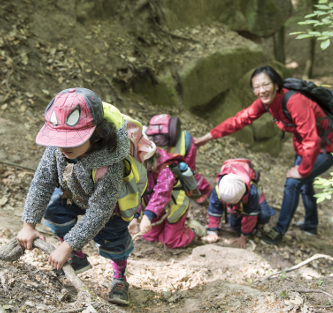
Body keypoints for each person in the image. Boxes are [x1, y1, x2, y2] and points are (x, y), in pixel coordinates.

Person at [16, 87, 147, 306]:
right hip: (73, 192)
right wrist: (28, 224)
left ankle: (119, 277)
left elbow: (99, 210)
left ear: (96, 136)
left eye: (73, 140)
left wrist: (67, 244)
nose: (63, 146)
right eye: (60, 139)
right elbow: (42, 182)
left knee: (114, 240)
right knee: (54, 209)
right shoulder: (57, 149)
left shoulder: (110, 162)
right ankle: (75, 258)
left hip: (110, 205)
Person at [195, 66, 333, 245]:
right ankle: (311, 225)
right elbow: (239, 120)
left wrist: (303, 169)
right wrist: (207, 137)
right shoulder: (266, 103)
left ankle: (278, 232)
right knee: (305, 185)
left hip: (326, 148)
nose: (261, 90)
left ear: (276, 84)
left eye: (265, 85)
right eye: (256, 87)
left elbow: (312, 138)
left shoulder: (294, 101)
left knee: (294, 183)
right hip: (305, 148)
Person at [136, 146, 206, 248]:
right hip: (152, 209)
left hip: (175, 206)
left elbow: (161, 195)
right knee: (149, 237)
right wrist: (135, 216)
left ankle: (194, 229)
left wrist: (147, 217)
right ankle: (166, 229)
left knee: (171, 242)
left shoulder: (165, 170)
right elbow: (136, 192)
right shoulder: (137, 171)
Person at [205, 159, 275, 248]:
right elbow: (214, 210)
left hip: (254, 199)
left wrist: (244, 237)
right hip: (239, 205)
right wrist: (212, 230)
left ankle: (259, 224)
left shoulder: (252, 193)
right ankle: (242, 220)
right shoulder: (218, 190)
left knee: (264, 215)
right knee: (235, 227)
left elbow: (250, 216)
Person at [146, 114, 213, 204]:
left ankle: (207, 190)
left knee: (188, 172)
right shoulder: (157, 132)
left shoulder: (159, 135)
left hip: (187, 148)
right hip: (184, 139)